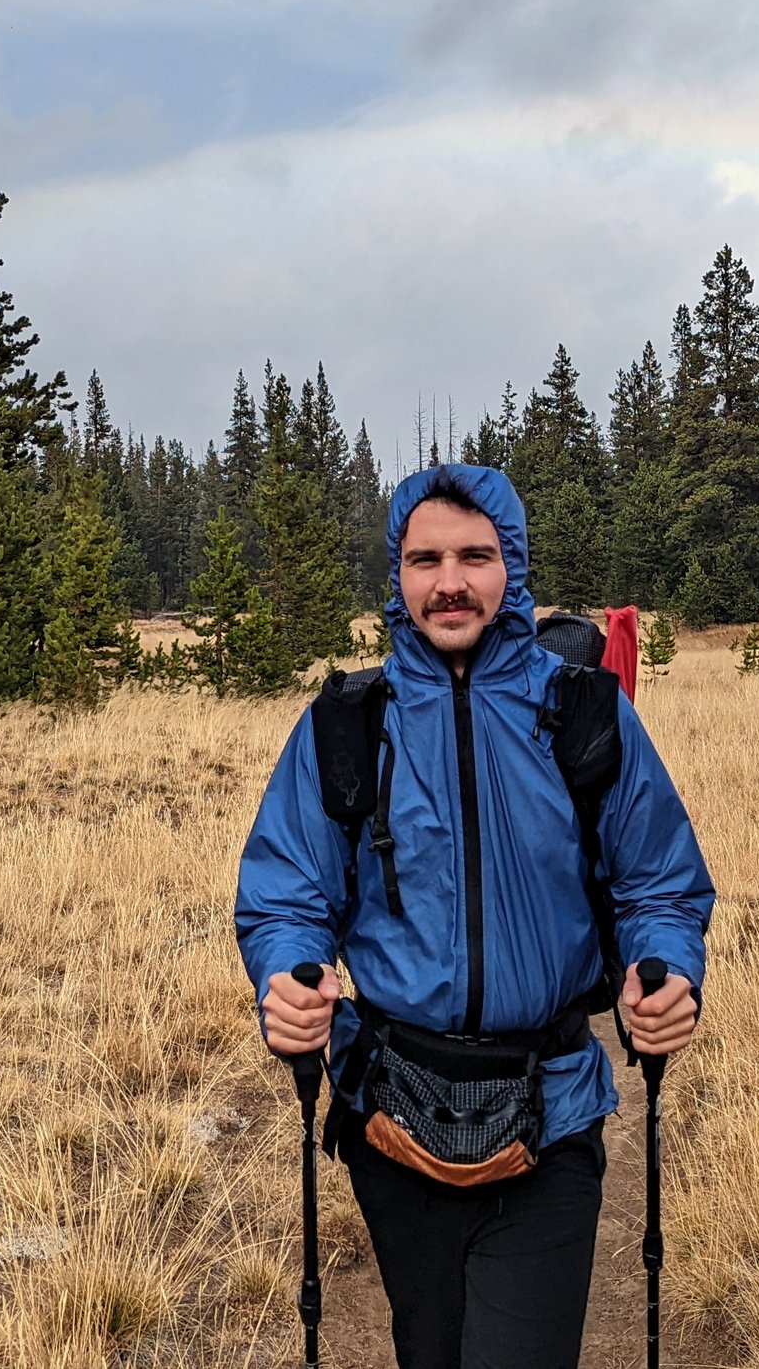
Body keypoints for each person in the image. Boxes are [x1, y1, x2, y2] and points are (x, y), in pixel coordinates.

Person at [236, 464, 715, 1369]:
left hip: (552, 1112)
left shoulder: (581, 714)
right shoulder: (347, 723)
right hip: (392, 1115)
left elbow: (658, 881)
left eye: (474, 556)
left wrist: (666, 968)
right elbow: (288, 891)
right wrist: (287, 973)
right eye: (425, 559)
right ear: (397, 574)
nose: (448, 580)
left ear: (513, 568)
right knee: (433, 1349)